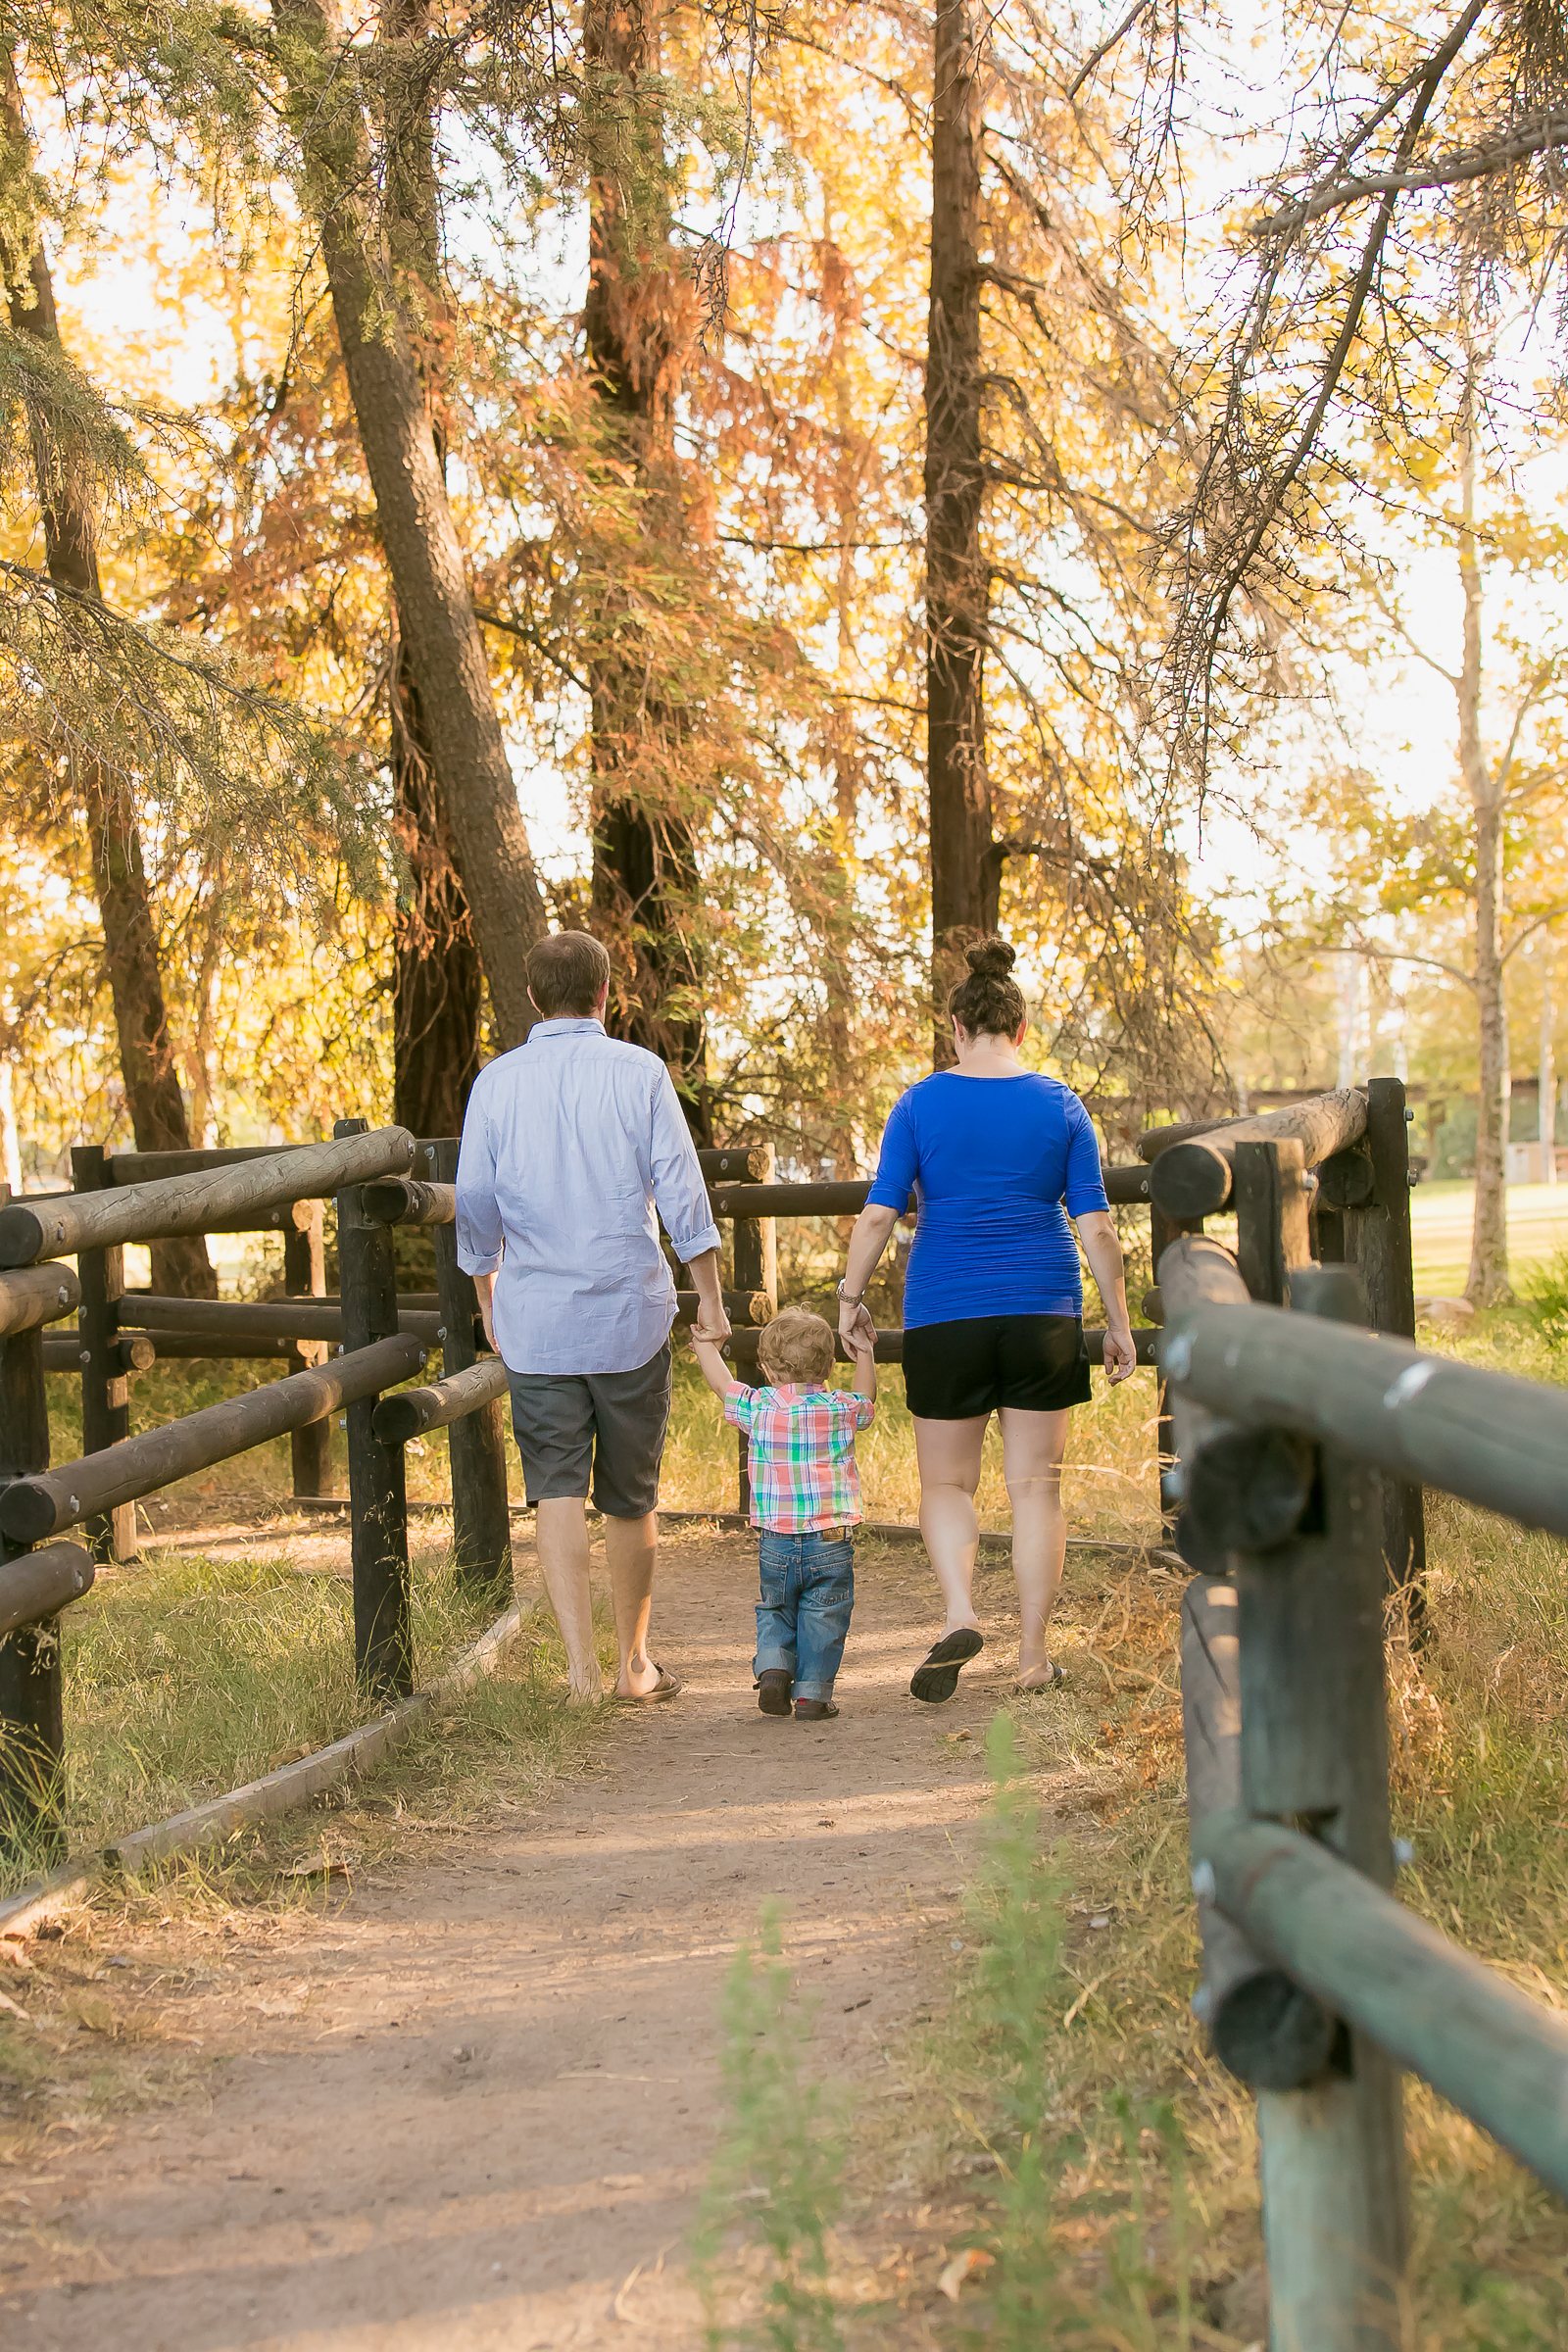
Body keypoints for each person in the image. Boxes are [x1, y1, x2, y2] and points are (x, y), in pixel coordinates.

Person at [836, 937, 1136, 1702]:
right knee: (1037, 1488)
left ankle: (961, 1611)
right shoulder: (1062, 1104)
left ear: (957, 1029)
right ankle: (1033, 1657)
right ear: (1022, 1031)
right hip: (1043, 1307)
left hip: (946, 1310)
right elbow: (1096, 1228)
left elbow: (878, 1217)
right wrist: (1120, 1323)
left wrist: (848, 1297)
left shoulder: (919, 1103)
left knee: (947, 1484)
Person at [455, 929, 731, 1703]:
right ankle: (631, 1666)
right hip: (628, 1318)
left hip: (537, 1321)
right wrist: (707, 1295)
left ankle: (579, 1674)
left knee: (554, 1489)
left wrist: (487, 1292)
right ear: (605, 994)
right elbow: (682, 1191)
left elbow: (474, 1201)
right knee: (630, 1495)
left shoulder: (497, 1083)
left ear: (534, 997)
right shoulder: (639, 1073)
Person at [689, 1306, 876, 1722]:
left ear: (767, 1369)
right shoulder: (840, 1408)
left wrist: (704, 1344)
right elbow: (868, 1399)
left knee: (775, 1607)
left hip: (775, 1540)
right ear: (829, 1365)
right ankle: (811, 1696)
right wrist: (864, 1351)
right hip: (830, 1540)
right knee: (824, 1613)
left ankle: (774, 1668)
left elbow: (723, 1385)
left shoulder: (758, 1407)